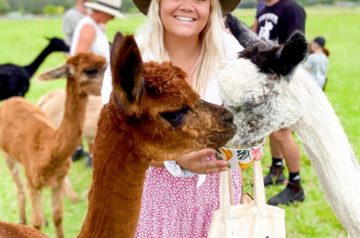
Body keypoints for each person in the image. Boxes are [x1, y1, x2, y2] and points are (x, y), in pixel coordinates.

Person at [101, 0, 263, 236]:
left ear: (211, 7)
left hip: (223, 197)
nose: (187, 6)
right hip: (154, 200)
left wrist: (251, 153)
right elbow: (117, 139)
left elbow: (254, 122)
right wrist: (175, 159)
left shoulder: (233, 54)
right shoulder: (134, 60)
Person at [254, 0, 306, 206]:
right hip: (264, 77)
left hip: (283, 78)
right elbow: (257, 33)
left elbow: (297, 45)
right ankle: (276, 170)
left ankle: (295, 185)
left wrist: (282, 75)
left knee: (282, 132)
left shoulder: (291, 8)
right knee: (271, 128)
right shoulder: (261, 7)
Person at [71, 0, 124, 166]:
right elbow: (79, 59)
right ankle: (95, 157)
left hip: (98, 85)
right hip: (91, 87)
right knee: (96, 123)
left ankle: (94, 156)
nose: (112, 18)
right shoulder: (88, 27)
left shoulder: (95, 26)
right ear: (101, 12)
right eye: (111, 14)